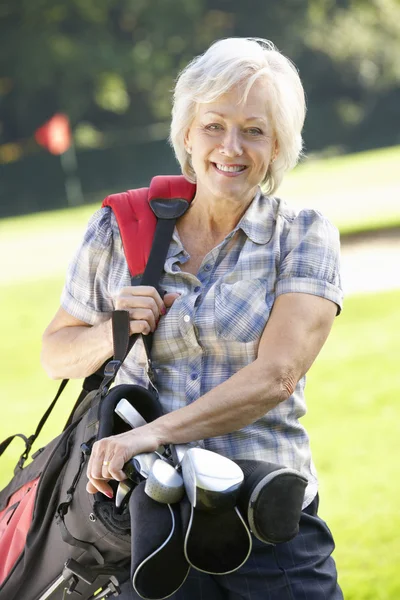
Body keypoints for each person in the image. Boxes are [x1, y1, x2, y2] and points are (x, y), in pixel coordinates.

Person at [41, 37, 344, 599]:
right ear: (186, 132)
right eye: (214, 125)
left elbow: (277, 375)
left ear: (278, 145)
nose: (231, 146)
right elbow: (55, 352)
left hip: (268, 524)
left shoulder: (301, 236)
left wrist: (148, 436)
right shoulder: (117, 229)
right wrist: (115, 329)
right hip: (152, 529)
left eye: (254, 129)